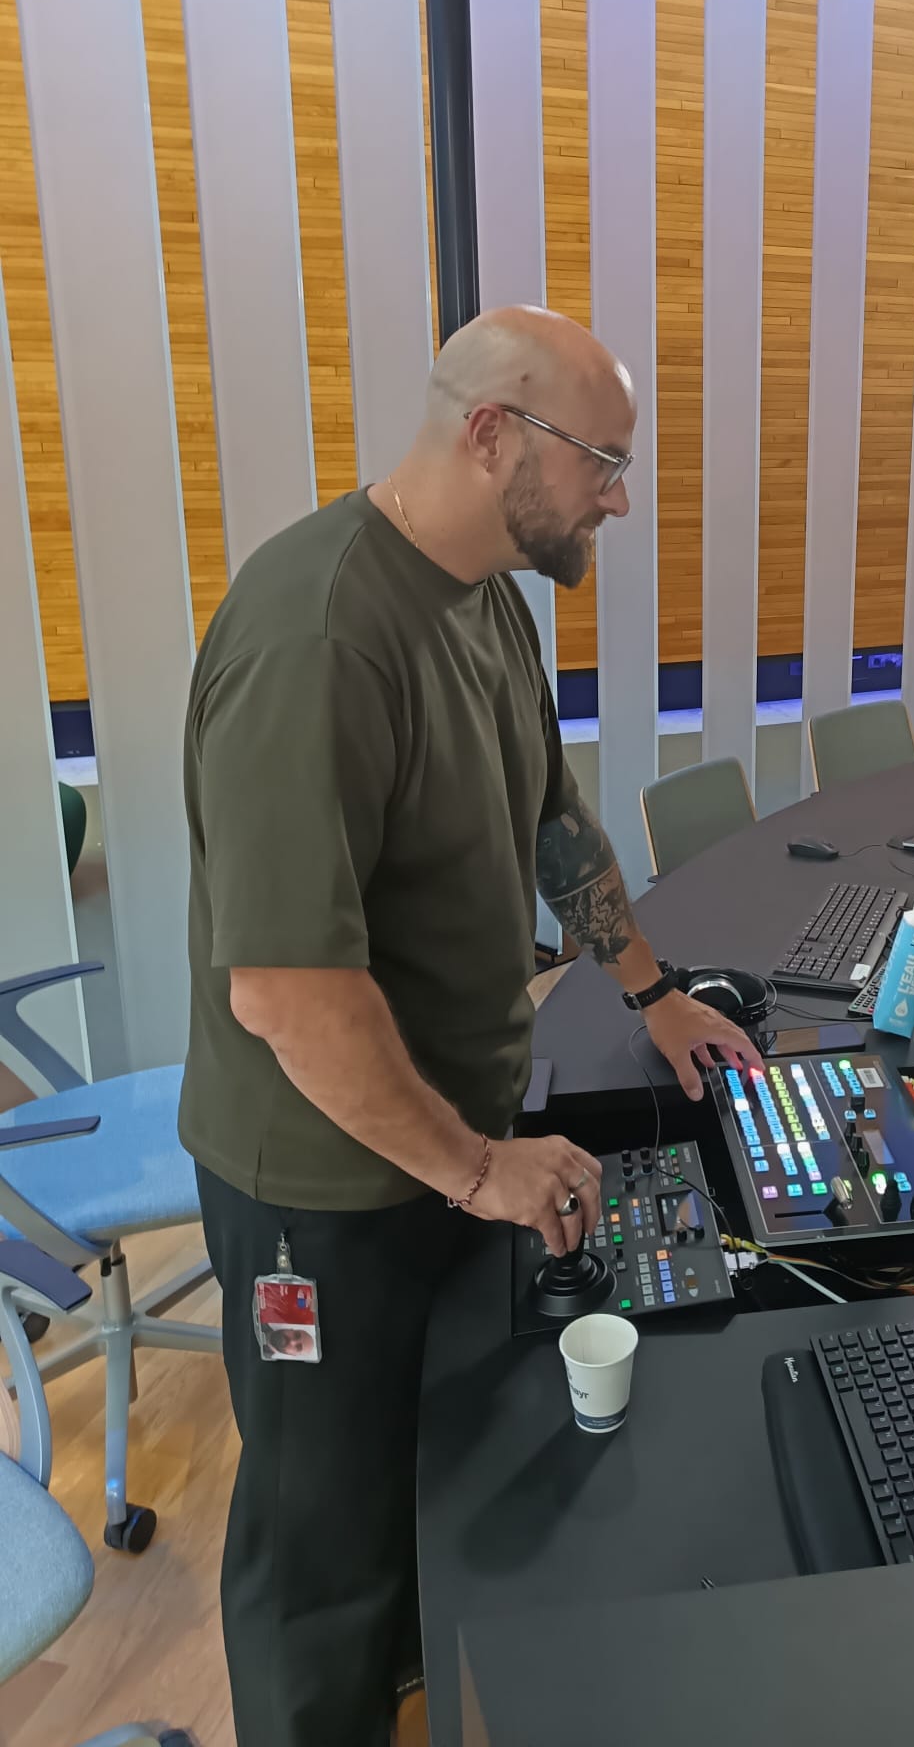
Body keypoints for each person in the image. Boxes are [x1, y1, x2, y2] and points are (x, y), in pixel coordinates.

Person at [180, 307, 758, 1747]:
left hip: (443, 1140)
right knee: (320, 1535)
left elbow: (551, 824)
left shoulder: (486, 596)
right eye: (604, 462)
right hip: (318, 1183)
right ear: (492, 431)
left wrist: (652, 990)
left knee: (415, 1471)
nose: (619, 498)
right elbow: (288, 995)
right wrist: (478, 1168)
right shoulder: (317, 635)